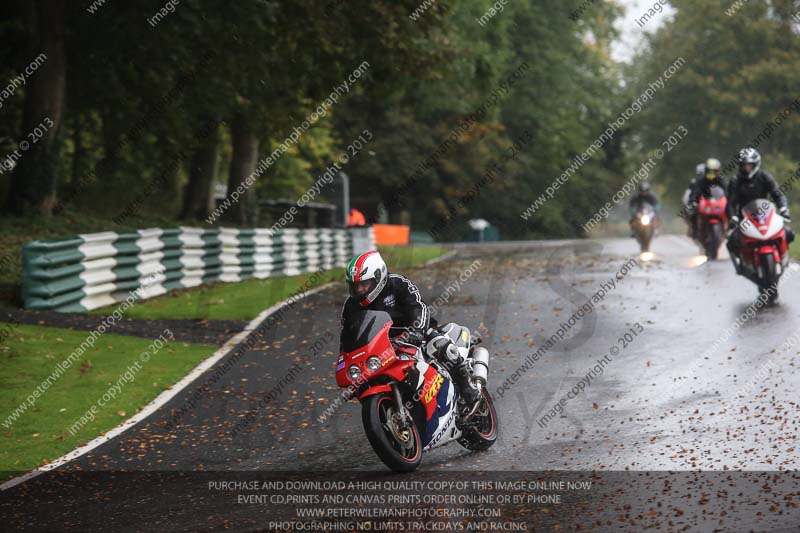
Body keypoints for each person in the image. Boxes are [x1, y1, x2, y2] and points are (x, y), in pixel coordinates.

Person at [339, 250, 480, 406]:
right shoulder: (351, 305)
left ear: (378, 276)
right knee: (364, 383)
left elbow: (418, 308)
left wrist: (417, 331)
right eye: (355, 286)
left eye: (364, 284)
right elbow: (348, 337)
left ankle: (466, 385)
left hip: (414, 333)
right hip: (381, 346)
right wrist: (346, 363)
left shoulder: (398, 284)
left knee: (441, 346)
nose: (359, 290)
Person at [726, 148, 792, 270]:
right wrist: (733, 217)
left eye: (748, 165)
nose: (746, 168)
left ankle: (784, 256)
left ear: (755, 164)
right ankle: (743, 263)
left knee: (788, 232)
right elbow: (730, 202)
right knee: (732, 241)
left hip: (765, 214)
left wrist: (783, 208)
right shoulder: (735, 181)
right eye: (743, 165)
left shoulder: (764, 177)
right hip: (744, 218)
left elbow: (777, 194)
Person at [687, 158, 725, 239]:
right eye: (710, 171)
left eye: (714, 171)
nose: (712, 173)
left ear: (718, 171)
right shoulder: (701, 180)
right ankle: (695, 230)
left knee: (728, 208)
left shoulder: (720, 180)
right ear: (706, 170)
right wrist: (693, 201)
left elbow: (726, 192)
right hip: (704, 202)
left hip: (717, 203)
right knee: (693, 210)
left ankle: (728, 228)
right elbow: (695, 192)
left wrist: (726, 200)